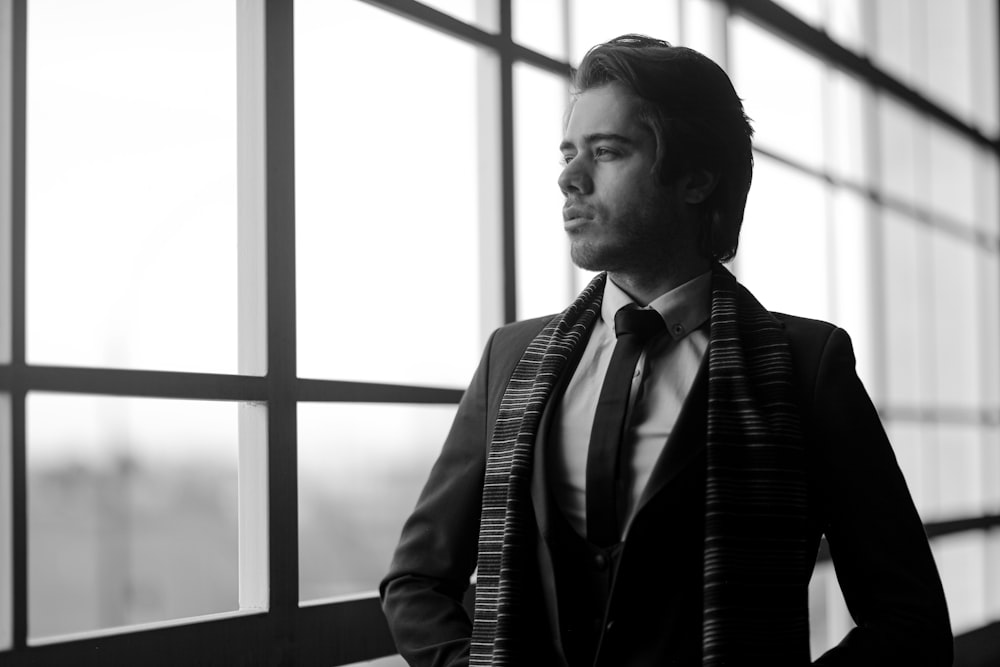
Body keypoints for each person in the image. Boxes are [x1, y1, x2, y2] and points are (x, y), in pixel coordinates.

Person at [380, 34, 953, 666]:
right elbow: (417, 583)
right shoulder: (511, 359)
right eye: (570, 152)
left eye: (607, 152)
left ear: (696, 178)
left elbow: (909, 619)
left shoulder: (805, 366)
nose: (569, 177)